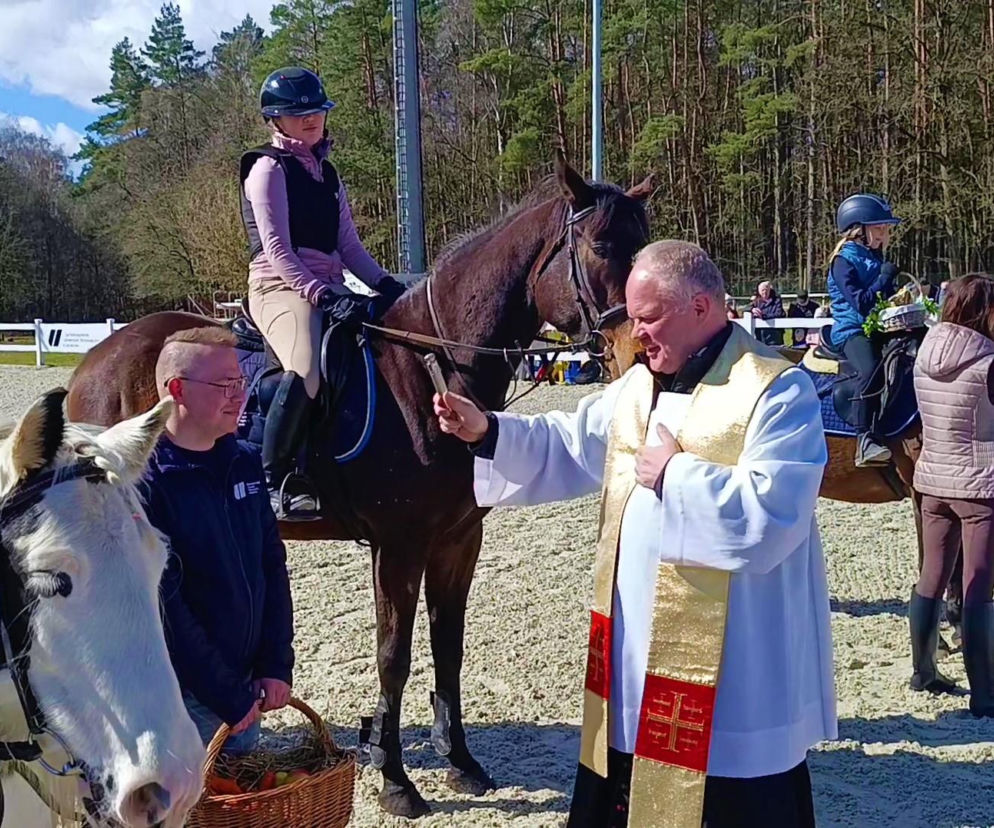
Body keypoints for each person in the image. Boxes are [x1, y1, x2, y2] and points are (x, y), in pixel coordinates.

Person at [435, 240, 835, 827]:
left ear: (702, 307)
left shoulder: (775, 391)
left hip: (733, 676)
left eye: (648, 318)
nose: (635, 334)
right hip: (631, 659)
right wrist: (487, 432)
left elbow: (773, 516)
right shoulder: (638, 387)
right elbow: (570, 441)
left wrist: (675, 474)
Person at [240, 66, 407, 519]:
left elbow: (349, 245)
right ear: (275, 119)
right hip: (279, 285)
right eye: (298, 114)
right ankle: (274, 481)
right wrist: (322, 294)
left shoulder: (328, 175)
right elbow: (277, 249)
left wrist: (388, 286)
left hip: (328, 283)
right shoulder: (266, 170)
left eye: (316, 111)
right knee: (306, 368)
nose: (311, 119)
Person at [143, 327, 295, 752]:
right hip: (187, 698)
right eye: (224, 385)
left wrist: (275, 662)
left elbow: (271, 563)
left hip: (246, 689)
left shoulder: (245, 460)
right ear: (177, 390)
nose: (239, 396)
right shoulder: (147, 482)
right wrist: (225, 693)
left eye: (240, 382)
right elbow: (166, 603)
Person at [912, 274, 994, 715]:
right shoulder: (988, 363)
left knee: (932, 577)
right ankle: (985, 693)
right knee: (979, 586)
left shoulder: (923, 355)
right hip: (980, 486)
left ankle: (923, 672)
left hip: (933, 483)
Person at [826, 194, 900, 467]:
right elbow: (862, 303)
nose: (885, 234)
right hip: (851, 329)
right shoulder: (842, 262)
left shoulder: (873, 256)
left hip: (879, 327)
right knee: (870, 371)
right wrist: (884, 277)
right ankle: (864, 439)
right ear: (860, 230)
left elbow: (885, 298)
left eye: (886, 229)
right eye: (880, 228)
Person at [749, 280, 785, 346]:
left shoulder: (777, 300)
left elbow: (779, 313)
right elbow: (744, 309)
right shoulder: (756, 301)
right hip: (760, 337)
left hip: (774, 336)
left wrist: (763, 316)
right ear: (759, 291)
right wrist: (752, 309)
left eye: (766, 290)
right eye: (762, 290)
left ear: (769, 290)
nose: (764, 292)